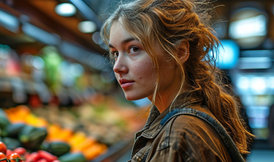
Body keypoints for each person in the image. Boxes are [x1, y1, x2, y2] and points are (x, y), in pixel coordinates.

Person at [100, 0, 253, 161]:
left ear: (180, 52)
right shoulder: (183, 124)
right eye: (115, 53)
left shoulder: (178, 135)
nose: (117, 67)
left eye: (134, 49)